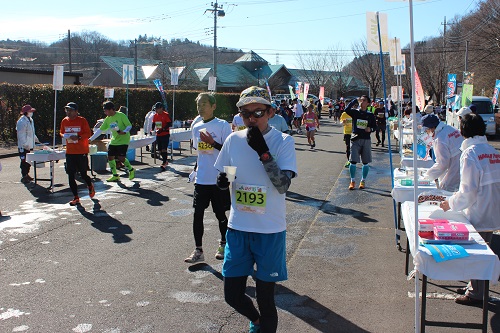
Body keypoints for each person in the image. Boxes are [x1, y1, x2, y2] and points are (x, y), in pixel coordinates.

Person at [214, 86, 297, 333]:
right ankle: (257, 321)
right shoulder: (232, 140)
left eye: (258, 112)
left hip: (269, 231)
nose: (252, 119)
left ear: (270, 112)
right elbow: (229, 171)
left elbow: (282, 185)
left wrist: (262, 151)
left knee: (266, 299)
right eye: (245, 113)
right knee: (232, 295)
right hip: (238, 228)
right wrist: (224, 180)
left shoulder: (283, 141)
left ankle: (263, 324)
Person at [439, 113, 500, 306]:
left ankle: (476, 293)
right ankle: (474, 287)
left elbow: (468, 191)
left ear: (463, 130)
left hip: (479, 209)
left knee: (477, 253)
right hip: (493, 207)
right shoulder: (492, 151)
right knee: (484, 248)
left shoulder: (470, 153)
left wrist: (451, 203)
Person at [185, 92, 232, 263]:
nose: (201, 107)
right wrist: (195, 171)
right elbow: (200, 153)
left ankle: (224, 243)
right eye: (198, 104)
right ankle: (198, 250)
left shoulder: (222, 125)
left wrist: (213, 143)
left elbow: (229, 152)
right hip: (202, 179)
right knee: (197, 214)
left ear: (213, 106)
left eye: (204, 103)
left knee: (220, 214)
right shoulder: (196, 126)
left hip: (218, 179)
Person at [89, 101, 135, 182]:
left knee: (121, 158)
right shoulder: (107, 119)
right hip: (114, 140)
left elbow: (129, 125)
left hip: (123, 140)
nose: (105, 112)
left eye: (106, 110)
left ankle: (131, 169)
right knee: (110, 157)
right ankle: (115, 175)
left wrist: (124, 131)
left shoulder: (121, 115)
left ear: (111, 109)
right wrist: (91, 139)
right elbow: (100, 130)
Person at [60, 102, 95, 206]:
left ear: (76, 111)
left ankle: (90, 185)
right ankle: (75, 197)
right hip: (70, 151)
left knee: (83, 174)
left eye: (70, 110)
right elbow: (61, 132)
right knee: (71, 175)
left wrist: (78, 137)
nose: (68, 112)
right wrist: (65, 135)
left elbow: (88, 133)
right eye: (67, 110)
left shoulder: (82, 120)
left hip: (81, 151)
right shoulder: (64, 121)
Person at [421, 114, 463, 191]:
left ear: (432, 128)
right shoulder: (449, 128)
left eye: (426, 130)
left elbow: (442, 164)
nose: (426, 133)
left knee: (447, 192)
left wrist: (427, 176)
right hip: (462, 168)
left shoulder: (440, 139)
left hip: (454, 172)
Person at [344, 96, 377, 190]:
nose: (362, 102)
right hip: (355, 139)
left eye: (364, 101)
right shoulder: (355, 112)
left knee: (365, 162)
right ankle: (352, 181)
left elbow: (375, 126)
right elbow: (346, 110)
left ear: (368, 103)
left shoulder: (370, 115)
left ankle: (363, 181)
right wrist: (354, 100)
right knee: (353, 161)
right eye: (361, 100)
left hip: (366, 139)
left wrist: (370, 129)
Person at [16, 104, 39, 183]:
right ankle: (24, 175)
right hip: (23, 146)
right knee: (24, 161)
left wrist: (35, 138)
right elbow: (21, 135)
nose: (31, 112)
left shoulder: (30, 120)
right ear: (26, 112)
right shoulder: (21, 122)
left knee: (29, 160)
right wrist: (25, 144)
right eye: (30, 111)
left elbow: (31, 132)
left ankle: (27, 174)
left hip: (30, 144)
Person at [151, 102, 172, 170]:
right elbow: (153, 123)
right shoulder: (155, 115)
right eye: (156, 109)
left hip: (165, 134)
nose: (156, 110)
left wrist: (163, 129)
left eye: (157, 109)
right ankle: (164, 160)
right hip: (158, 134)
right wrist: (152, 130)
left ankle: (164, 162)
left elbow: (169, 123)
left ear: (161, 108)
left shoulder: (165, 115)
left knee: (164, 149)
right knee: (159, 149)